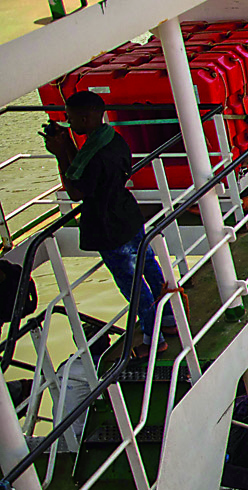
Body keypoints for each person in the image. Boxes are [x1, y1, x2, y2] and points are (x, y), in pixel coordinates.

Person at [43, 90, 175, 356]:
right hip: (128, 215)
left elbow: (77, 190)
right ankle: (170, 320)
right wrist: (67, 144)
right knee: (149, 265)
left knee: (132, 284)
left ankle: (154, 337)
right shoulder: (112, 140)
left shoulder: (95, 155)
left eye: (71, 119)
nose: (69, 122)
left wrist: (59, 155)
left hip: (108, 226)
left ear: (86, 117)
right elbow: (83, 168)